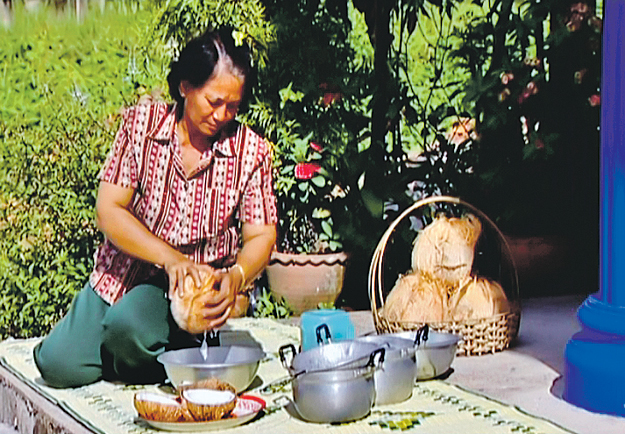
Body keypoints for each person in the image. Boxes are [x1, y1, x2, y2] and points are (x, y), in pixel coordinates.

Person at [33, 27, 277, 388]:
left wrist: (237, 277)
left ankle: (167, 345)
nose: (223, 115)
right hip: (120, 274)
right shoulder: (140, 126)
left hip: (187, 296)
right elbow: (109, 209)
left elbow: (261, 233)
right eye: (213, 102)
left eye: (233, 106)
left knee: (129, 326)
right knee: (57, 365)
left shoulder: (251, 152)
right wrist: (169, 257)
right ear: (184, 86)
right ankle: (142, 355)